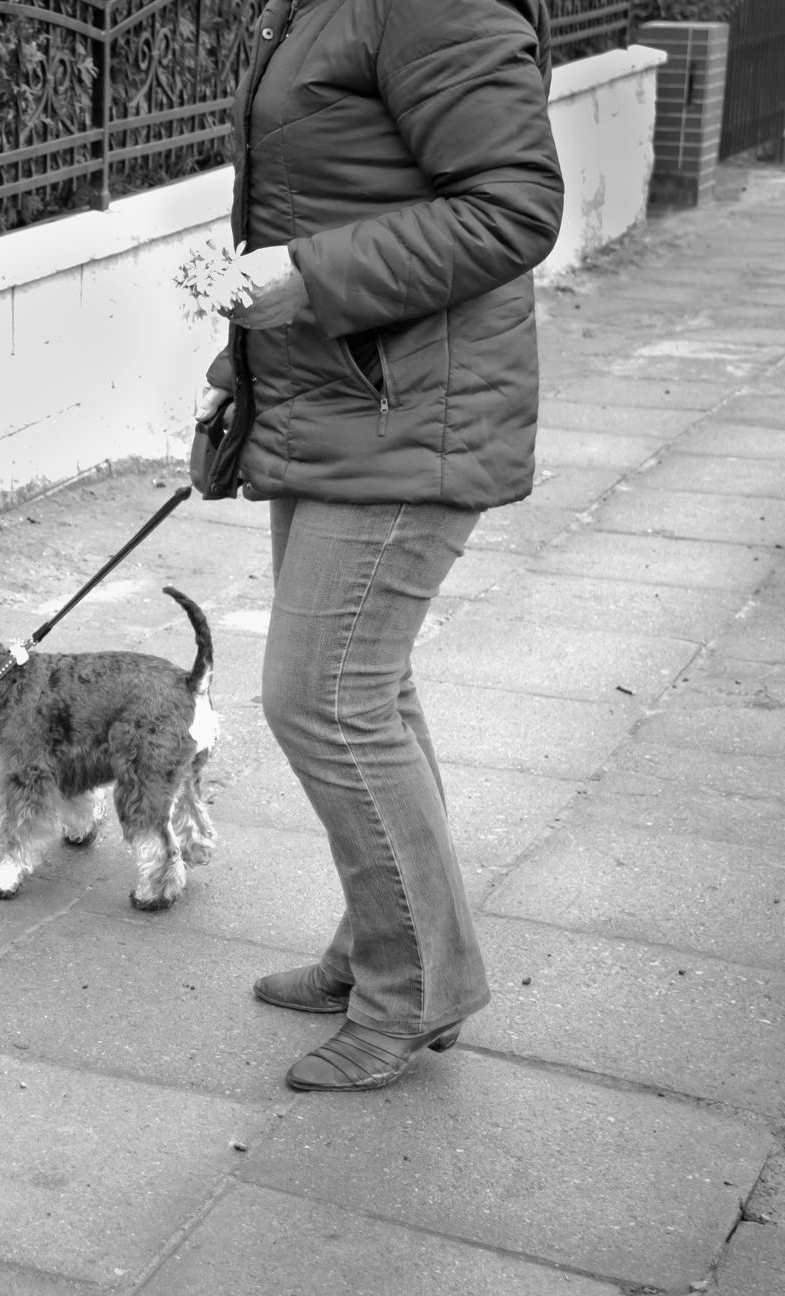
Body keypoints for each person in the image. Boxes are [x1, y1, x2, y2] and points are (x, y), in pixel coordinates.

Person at [198, 0, 562, 1090]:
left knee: (323, 696)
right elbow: (319, 191)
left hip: (414, 410)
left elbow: (513, 206)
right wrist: (240, 367)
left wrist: (309, 277)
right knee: (366, 691)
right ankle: (381, 951)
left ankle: (411, 991)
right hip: (336, 397)